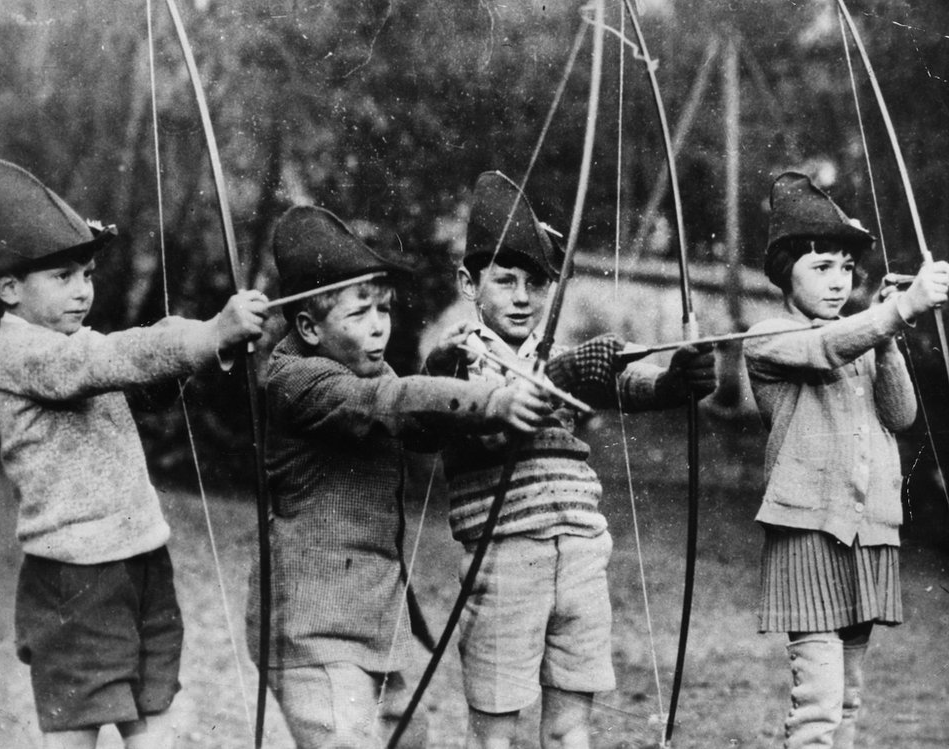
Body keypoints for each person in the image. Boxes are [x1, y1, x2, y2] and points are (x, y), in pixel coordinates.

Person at [0, 159, 269, 749]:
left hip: (140, 557)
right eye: (62, 276)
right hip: (76, 575)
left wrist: (199, 353)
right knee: (77, 730)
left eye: (86, 273)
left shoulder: (74, 341)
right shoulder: (19, 353)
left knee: (156, 716)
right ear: (10, 288)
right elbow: (107, 362)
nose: (83, 290)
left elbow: (136, 384)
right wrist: (207, 334)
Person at [424, 171, 716, 749]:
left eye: (537, 283)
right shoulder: (459, 357)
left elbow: (626, 384)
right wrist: (551, 376)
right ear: (467, 282)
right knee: (497, 732)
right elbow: (453, 408)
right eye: (504, 281)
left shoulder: (556, 351)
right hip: (505, 558)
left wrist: (677, 382)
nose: (522, 297)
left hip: (580, 553)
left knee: (570, 727)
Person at [243, 204, 552, 748]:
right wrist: (493, 400)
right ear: (310, 328)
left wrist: (445, 372)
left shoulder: (373, 370)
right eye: (359, 314)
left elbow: (419, 428)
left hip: (373, 623)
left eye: (383, 310)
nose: (379, 327)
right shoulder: (296, 381)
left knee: (409, 740)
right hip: (311, 629)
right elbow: (388, 402)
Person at [743, 172, 949, 748]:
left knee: (849, 696)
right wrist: (898, 311)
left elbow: (901, 414)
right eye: (820, 268)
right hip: (808, 531)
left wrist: (887, 337)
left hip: (868, 532)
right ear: (786, 272)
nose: (838, 282)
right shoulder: (769, 337)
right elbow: (822, 348)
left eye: (845, 269)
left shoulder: (860, 335)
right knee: (819, 703)